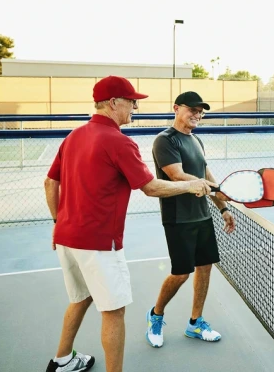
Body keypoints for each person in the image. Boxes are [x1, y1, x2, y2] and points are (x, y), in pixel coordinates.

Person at [44, 76, 214, 372]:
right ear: (113, 103)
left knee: (80, 299)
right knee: (113, 312)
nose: (135, 106)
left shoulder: (73, 136)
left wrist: (59, 221)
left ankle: (61, 360)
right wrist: (191, 185)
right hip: (98, 243)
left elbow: (50, 182)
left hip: (66, 239)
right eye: (131, 101)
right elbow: (150, 187)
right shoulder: (120, 142)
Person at [145, 91, 236, 348]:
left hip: (203, 216)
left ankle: (195, 323)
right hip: (178, 218)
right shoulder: (165, 141)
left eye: (200, 111)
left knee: (205, 267)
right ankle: (156, 315)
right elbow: (176, 175)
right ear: (176, 108)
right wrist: (201, 184)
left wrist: (223, 208)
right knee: (181, 273)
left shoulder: (196, 141)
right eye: (192, 109)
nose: (197, 114)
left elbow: (208, 177)